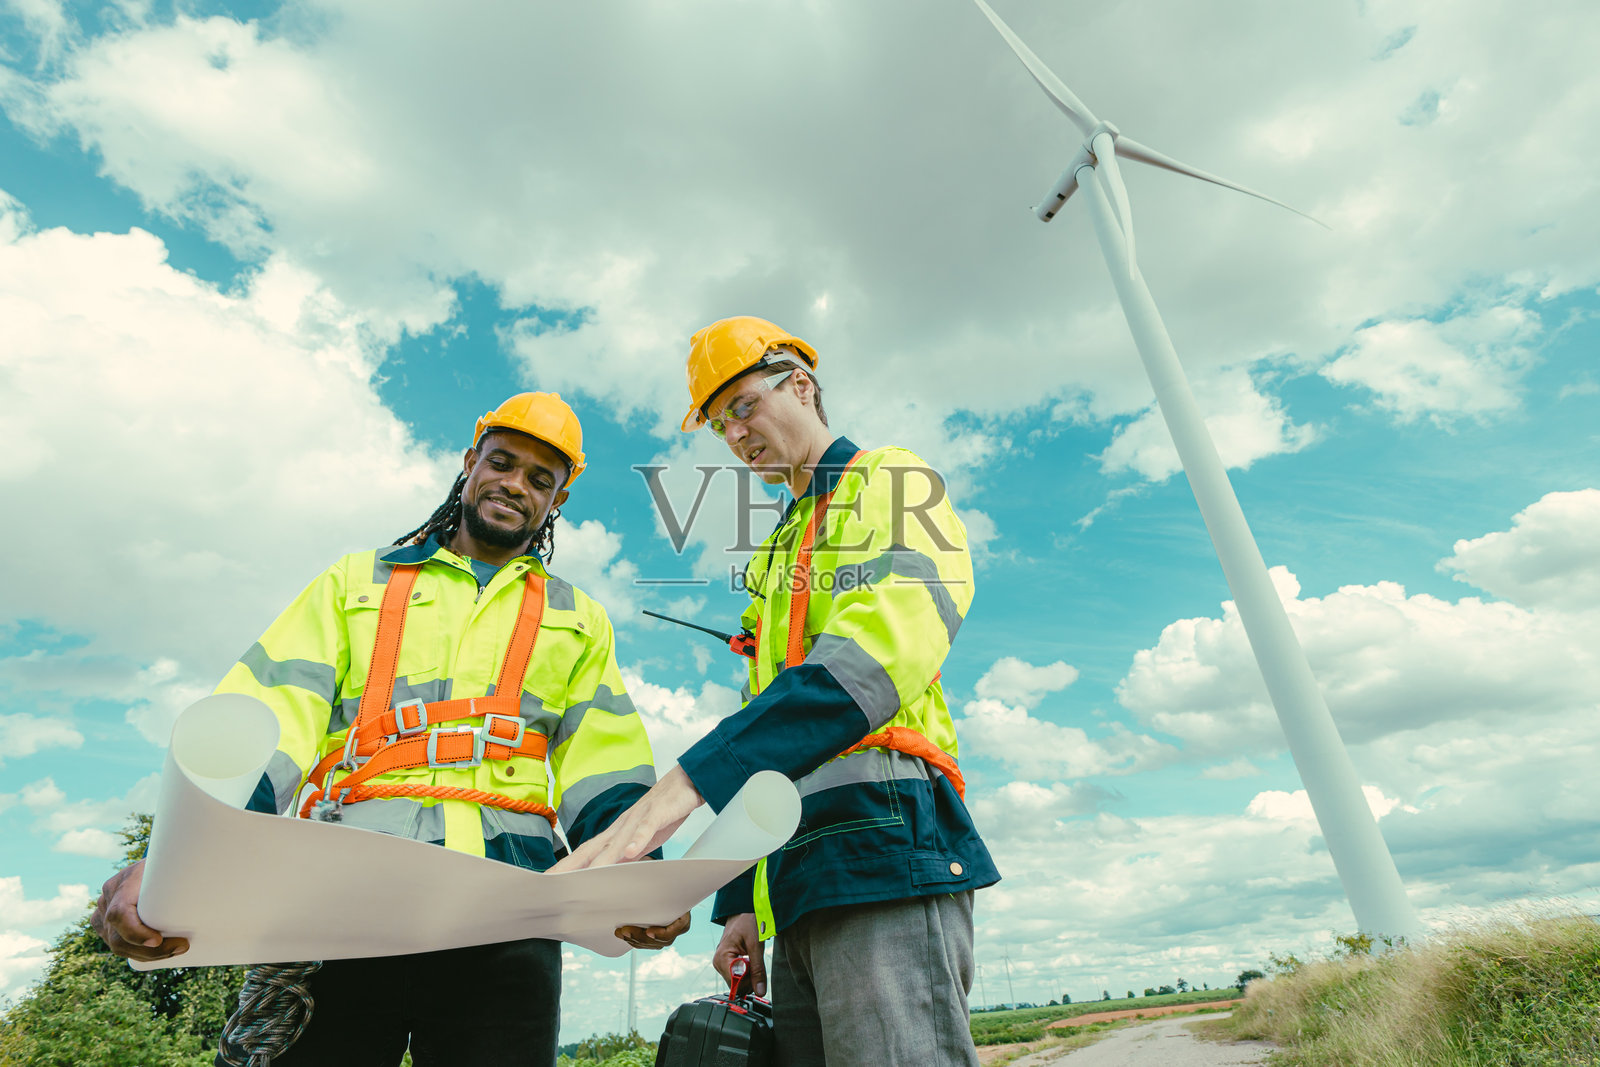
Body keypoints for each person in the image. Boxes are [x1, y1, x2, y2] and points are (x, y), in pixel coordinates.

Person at [91, 392, 688, 1067]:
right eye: (503, 462)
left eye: (539, 479)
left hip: (511, 904)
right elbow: (269, 715)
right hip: (342, 895)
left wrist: (643, 880)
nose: (515, 484)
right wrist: (184, 862)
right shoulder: (355, 583)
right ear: (470, 464)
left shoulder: (577, 617)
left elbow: (605, 765)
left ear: (557, 501)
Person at [554, 317, 999, 1066]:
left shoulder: (889, 483)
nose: (734, 434)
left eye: (743, 407)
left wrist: (676, 793)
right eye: (719, 424)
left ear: (801, 384)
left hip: (881, 846)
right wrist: (738, 906)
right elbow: (771, 754)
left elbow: (870, 662)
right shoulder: (776, 555)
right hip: (796, 882)